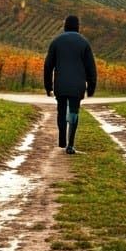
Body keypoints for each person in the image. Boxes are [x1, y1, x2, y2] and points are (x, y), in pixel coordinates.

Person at [43, 14, 97, 154]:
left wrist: (48, 86)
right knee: (73, 112)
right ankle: (70, 145)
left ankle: (62, 140)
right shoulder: (84, 43)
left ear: (65, 25)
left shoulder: (56, 42)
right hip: (77, 85)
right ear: (78, 26)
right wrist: (91, 87)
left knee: (61, 111)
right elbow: (91, 68)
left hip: (60, 84)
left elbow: (48, 66)